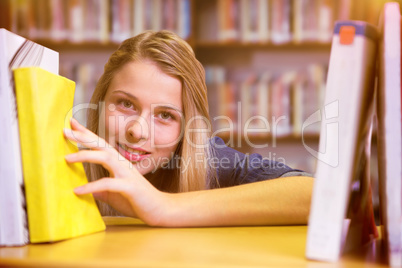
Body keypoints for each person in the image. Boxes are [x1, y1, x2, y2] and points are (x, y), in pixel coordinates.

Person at [64, 30, 314, 227]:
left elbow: (316, 196)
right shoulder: (67, 159)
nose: (137, 131)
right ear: (100, 101)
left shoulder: (211, 162)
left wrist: (163, 206)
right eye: (126, 104)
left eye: (165, 115)